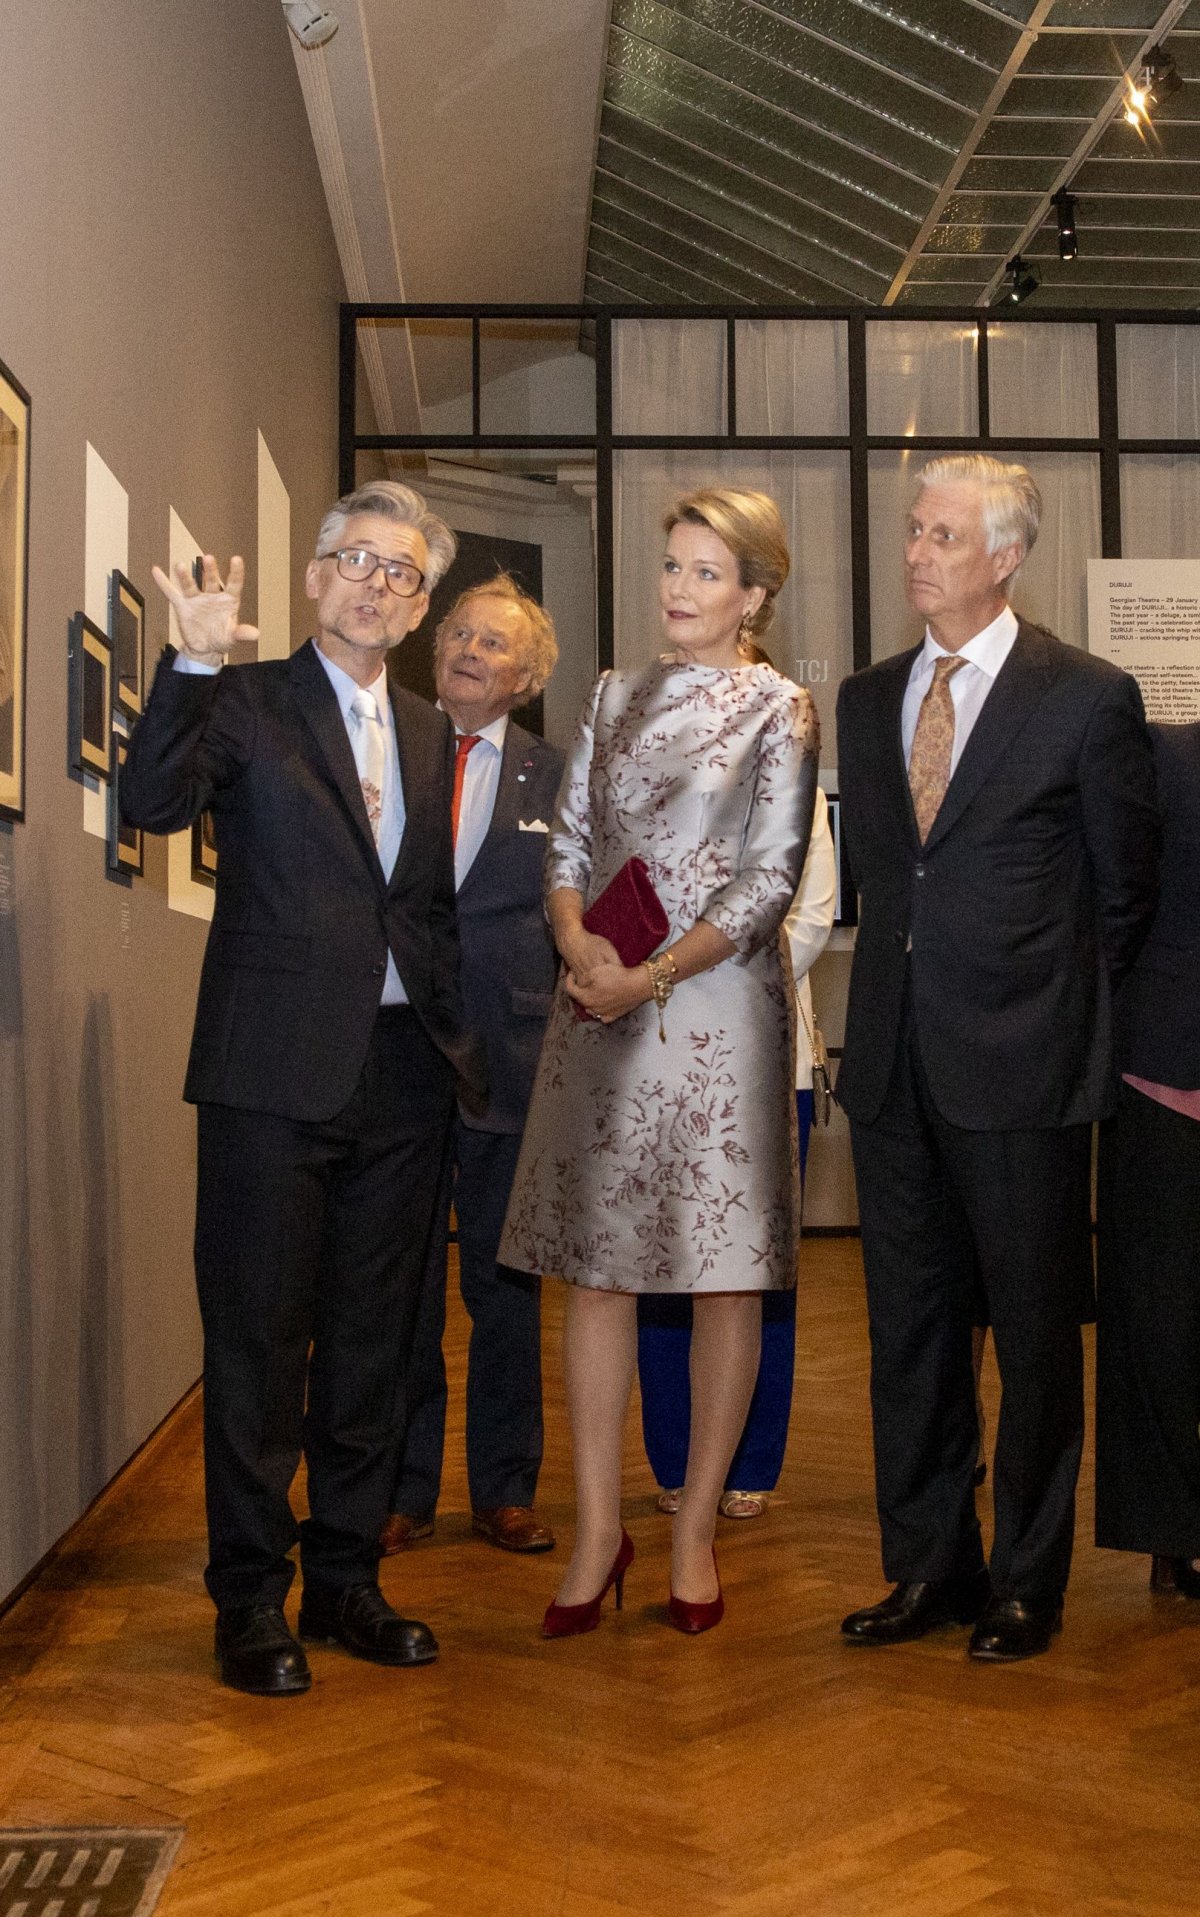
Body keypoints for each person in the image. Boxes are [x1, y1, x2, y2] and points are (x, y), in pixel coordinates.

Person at [122, 480, 484, 1696]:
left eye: (403, 573)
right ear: (316, 575)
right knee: (261, 1345)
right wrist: (186, 661)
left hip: (400, 1079)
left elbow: (417, 904)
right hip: (270, 1076)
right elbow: (152, 804)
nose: (378, 585)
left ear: (423, 603)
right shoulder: (244, 698)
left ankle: (345, 1582)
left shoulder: (434, 734)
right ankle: (248, 1602)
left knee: (378, 1348)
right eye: (359, 561)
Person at [836, 454, 1159, 1663]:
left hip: (1024, 1071)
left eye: (944, 535)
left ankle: (1028, 1581)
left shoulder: (1084, 696)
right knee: (911, 1338)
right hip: (891, 1070)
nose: (917, 552)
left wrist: (1049, 1015)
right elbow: (887, 881)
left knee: (1030, 1339)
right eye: (913, 531)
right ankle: (929, 1570)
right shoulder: (870, 702)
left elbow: (1122, 897)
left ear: (1007, 556)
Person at [499, 487, 818, 1637]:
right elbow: (573, 839)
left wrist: (654, 973)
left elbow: (770, 878)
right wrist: (580, 938)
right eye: (673, 567)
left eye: (704, 573)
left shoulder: (782, 706)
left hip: (719, 1010)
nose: (678, 590)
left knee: (723, 1270)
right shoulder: (610, 693)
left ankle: (689, 1532)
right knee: (598, 1269)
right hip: (600, 1001)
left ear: (754, 595)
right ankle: (596, 1531)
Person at [382, 575, 564, 1558]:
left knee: (504, 1288)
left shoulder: (560, 775)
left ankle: (504, 1490)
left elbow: (614, 903)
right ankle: (401, 1492)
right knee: (399, 1285)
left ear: (525, 672)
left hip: (513, 1059)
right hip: (397, 1055)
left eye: (492, 643)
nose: (468, 651)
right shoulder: (387, 747)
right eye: (457, 634)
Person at [638, 783, 836, 1519]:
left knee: (759, 1273)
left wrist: (700, 975)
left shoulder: (799, 791)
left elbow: (810, 919)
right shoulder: (654, 773)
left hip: (765, 1054)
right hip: (659, 1049)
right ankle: (675, 1459)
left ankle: (750, 1461)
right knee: (662, 1271)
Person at [1095, 721, 1200, 1596]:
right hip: (1168, 1070)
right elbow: (1117, 899)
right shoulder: (1167, 757)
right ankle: (1177, 1526)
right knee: (1160, 1316)